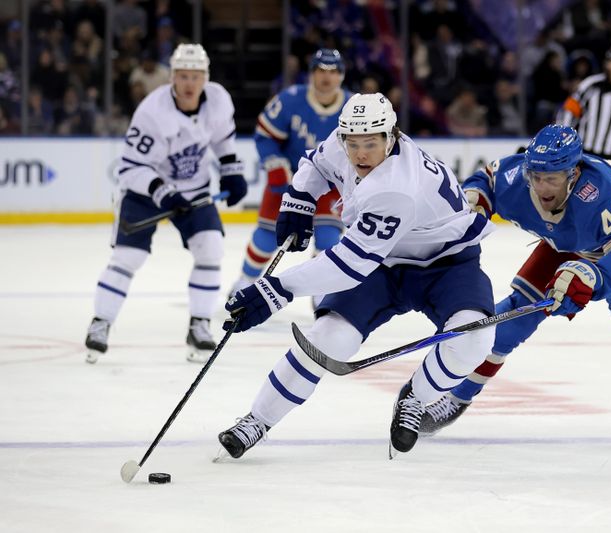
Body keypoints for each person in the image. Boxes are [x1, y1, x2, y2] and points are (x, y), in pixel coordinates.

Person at [217, 93, 496, 458]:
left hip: (446, 264)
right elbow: (315, 165)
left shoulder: (396, 187)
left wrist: (278, 289)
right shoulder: (342, 142)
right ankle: (257, 420)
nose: (360, 154)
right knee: (328, 340)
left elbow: (349, 266)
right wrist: (298, 198)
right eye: (353, 144)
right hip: (383, 264)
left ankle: (417, 397)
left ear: (390, 138)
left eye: (370, 144)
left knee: (474, 339)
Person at [418, 124, 611, 449]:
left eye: (552, 178)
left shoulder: (603, 194)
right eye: (536, 176)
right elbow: (486, 181)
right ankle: (456, 399)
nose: (541, 187)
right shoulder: (518, 178)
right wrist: (474, 200)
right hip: (572, 239)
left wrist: (590, 276)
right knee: (511, 319)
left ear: (574, 174)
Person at [83, 44, 248, 364]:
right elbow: (130, 168)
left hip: (195, 190)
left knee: (211, 247)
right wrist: (164, 192)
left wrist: (231, 171)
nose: (189, 84)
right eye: (183, 76)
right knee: (127, 257)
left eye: (196, 77)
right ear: (172, 77)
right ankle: (101, 322)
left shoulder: (218, 100)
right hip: (146, 193)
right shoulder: (151, 112)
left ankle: (199, 324)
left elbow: (222, 140)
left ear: (206, 78)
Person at [229, 48, 352, 303]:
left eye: (332, 72)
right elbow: (265, 135)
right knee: (266, 236)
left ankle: (322, 289)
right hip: (290, 183)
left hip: (330, 186)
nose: (326, 78)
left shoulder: (353, 107)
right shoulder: (290, 100)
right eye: (320, 71)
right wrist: (275, 166)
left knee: (328, 237)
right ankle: (245, 280)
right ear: (310, 74)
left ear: (341, 76)